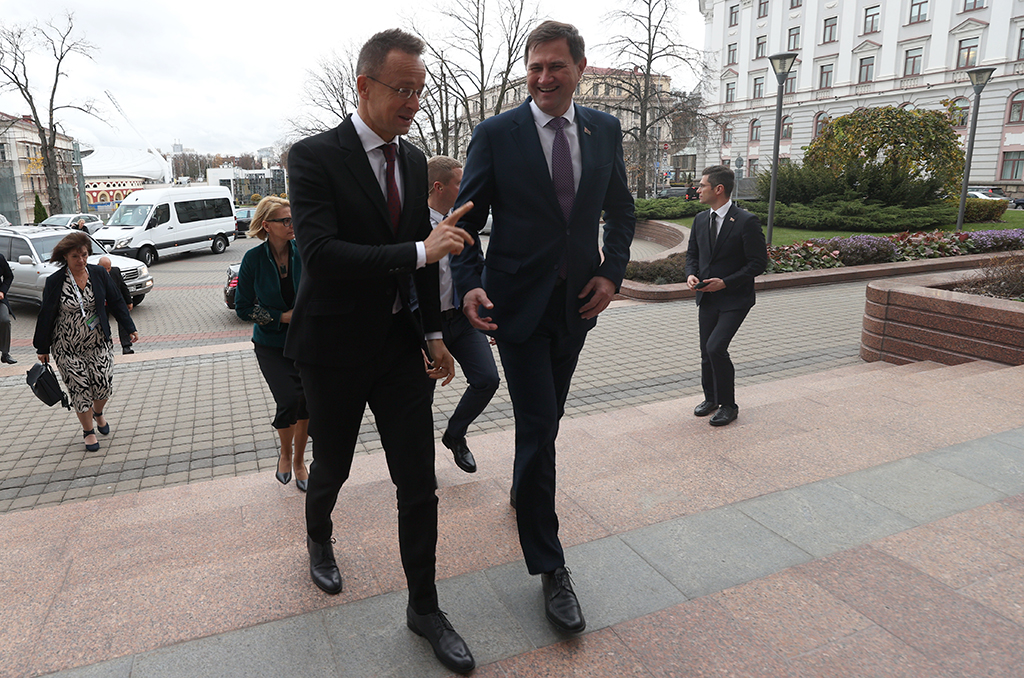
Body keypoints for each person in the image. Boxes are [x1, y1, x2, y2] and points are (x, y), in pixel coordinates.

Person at [284, 28, 476, 674]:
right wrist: (422, 250)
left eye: (420, 91)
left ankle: (425, 606)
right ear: (365, 86)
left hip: (398, 349)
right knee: (333, 465)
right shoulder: (313, 157)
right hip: (333, 350)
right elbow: (322, 255)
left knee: (418, 482)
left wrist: (434, 334)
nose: (413, 103)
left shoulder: (415, 161)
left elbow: (422, 257)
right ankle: (319, 537)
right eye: (402, 90)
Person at [450, 20, 636, 635]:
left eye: (556, 66)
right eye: (535, 67)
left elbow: (620, 211)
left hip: (578, 305)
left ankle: (523, 489)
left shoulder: (604, 128)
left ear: (580, 68)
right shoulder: (496, 133)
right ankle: (551, 567)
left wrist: (611, 272)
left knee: (547, 419)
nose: (544, 77)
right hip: (515, 306)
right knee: (538, 426)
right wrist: (469, 282)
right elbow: (465, 221)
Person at [33, 232, 138, 451]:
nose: (81, 260)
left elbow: (116, 300)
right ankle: (88, 431)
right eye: (75, 256)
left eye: (84, 255)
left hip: (98, 342)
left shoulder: (98, 273)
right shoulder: (55, 281)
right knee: (79, 388)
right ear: (65, 257)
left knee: (103, 384)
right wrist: (42, 347)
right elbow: (45, 314)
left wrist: (129, 327)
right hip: (67, 347)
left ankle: (98, 412)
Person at [427, 156, 500, 473]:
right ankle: (421, 468)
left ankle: (455, 434)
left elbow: (476, 270)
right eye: (461, 182)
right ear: (439, 186)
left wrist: (487, 317)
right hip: (426, 326)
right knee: (421, 399)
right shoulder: (414, 225)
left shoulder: (463, 224)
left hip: (461, 319)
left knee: (487, 380)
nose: (468, 187)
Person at [235, 196, 309, 492]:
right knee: (289, 399)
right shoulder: (253, 259)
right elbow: (243, 308)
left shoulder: (303, 251)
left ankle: (300, 460)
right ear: (267, 225)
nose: (292, 225)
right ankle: (285, 453)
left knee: (307, 402)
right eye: (285, 220)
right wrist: (281, 317)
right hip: (270, 344)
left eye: (293, 219)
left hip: (305, 341)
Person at [685, 164, 768, 427]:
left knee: (716, 348)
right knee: (705, 351)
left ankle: (729, 405)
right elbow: (693, 254)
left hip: (735, 299)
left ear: (718, 189)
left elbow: (758, 263)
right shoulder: (700, 219)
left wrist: (725, 283)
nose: (698, 190)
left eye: (702, 185)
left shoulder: (746, 221)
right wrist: (691, 274)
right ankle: (711, 399)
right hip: (707, 298)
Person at [97, 257, 136, 355]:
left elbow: (123, 286)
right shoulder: (93, 274)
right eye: (104, 268)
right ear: (98, 266)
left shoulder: (115, 271)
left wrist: (129, 301)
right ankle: (105, 347)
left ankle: (126, 346)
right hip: (102, 305)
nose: (107, 271)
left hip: (114, 303)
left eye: (108, 268)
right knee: (102, 325)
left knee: (123, 321)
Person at [0, 251, 15, 364]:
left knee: (4, 320)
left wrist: (2, 291)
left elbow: (9, 276)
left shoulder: (0, 258)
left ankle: (5, 354)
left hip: (0, 298)